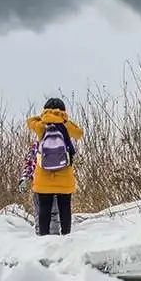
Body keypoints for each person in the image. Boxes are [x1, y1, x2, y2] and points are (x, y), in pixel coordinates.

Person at [27, 98, 83, 236]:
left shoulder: (41, 125)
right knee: (65, 207)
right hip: (64, 174)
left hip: (44, 174)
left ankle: (44, 239)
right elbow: (79, 133)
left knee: (44, 207)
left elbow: (29, 122)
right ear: (63, 110)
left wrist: (44, 116)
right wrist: (63, 118)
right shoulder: (66, 126)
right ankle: (66, 236)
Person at [18, 140, 60, 235]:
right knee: (53, 215)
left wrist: (24, 179)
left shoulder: (37, 145)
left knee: (41, 214)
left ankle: (42, 240)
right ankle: (54, 240)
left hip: (40, 186)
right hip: (54, 185)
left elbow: (29, 164)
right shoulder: (60, 142)